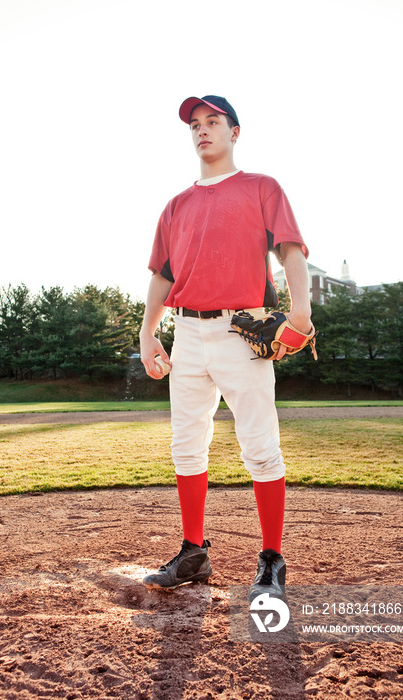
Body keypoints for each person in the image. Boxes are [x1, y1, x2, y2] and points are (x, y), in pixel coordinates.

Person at [139, 95, 312, 601]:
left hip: (243, 330)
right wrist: (148, 332)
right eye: (195, 123)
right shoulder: (175, 206)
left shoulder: (262, 187)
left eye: (213, 121)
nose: (202, 130)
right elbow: (161, 276)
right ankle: (194, 552)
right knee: (185, 443)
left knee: (259, 445)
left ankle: (272, 561)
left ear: (235, 132)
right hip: (186, 333)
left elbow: (291, 249)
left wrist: (300, 311)